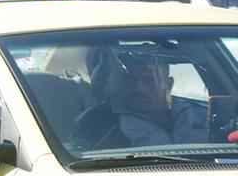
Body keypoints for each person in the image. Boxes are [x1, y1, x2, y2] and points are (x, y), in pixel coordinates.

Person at [75, 50, 211, 149]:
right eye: (131, 80)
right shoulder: (98, 121)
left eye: (150, 80)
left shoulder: (203, 115)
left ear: (169, 85)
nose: (139, 88)